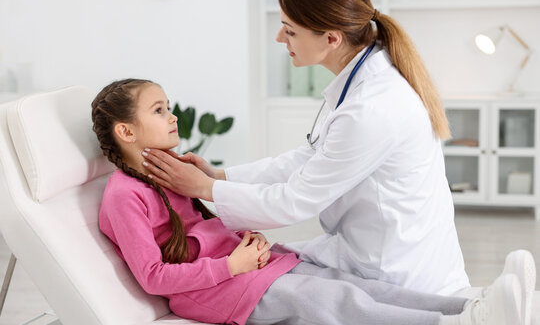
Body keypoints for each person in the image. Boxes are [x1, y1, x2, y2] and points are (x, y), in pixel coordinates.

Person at [91, 78, 531, 325]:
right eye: (158, 110)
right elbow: (153, 276)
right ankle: (465, 324)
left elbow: (205, 229)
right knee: (342, 306)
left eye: (169, 106)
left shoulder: (171, 173)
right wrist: (233, 265)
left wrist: (247, 239)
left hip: (251, 268)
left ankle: (477, 307)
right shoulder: (124, 195)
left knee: (360, 286)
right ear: (125, 132)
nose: (172, 117)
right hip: (222, 290)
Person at [140, 0, 468, 296]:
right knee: (271, 265)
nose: (280, 38)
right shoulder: (364, 83)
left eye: (290, 30)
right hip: (371, 248)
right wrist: (220, 176)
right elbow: (310, 157)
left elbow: (295, 200)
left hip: (397, 271)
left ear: (330, 39)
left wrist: (205, 188)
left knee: (262, 282)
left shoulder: (371, 109)